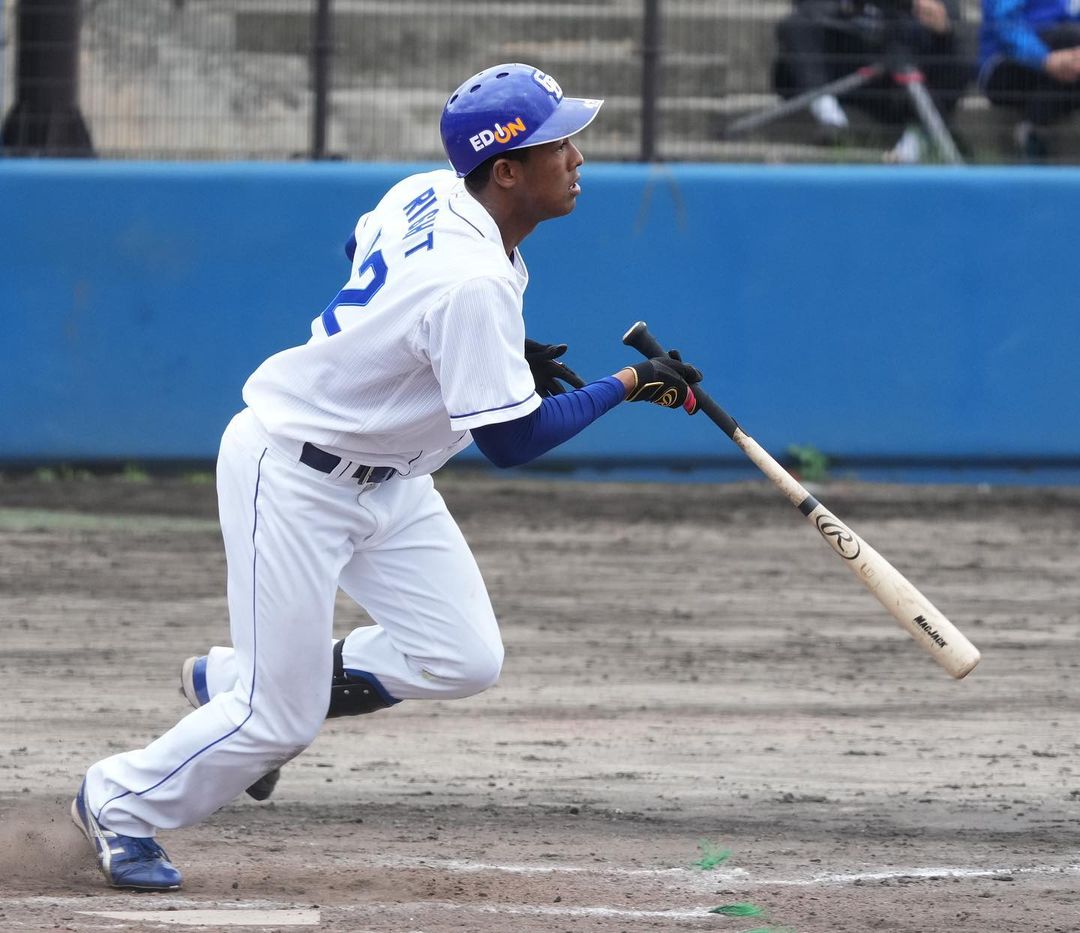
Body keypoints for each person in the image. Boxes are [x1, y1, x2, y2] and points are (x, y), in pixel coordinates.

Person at [69, 62, 703, 892]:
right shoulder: (471, 280)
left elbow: (361, 251)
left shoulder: (431, 194)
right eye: (559, 144)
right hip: (292, 475)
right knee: (280, 718)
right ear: (506, 171)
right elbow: (512, 440)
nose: (578, 157)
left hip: (394, 479)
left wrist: (480, 348)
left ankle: (233, 676)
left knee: (462, 656)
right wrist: (626, 384)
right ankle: (119, 800)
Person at [772, 0, 971, 162]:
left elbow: (949, 23)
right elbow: (808, 8)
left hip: (901, 74)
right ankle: (831, 119)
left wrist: (941, 28)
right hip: (844, 58)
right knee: (797, 25)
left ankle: (913, 144)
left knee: (959, 59)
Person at [978, 0, 1080, 160]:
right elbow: (1006, 24)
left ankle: (1033, 131)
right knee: (1070, 37)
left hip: (1063, 63)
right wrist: (1044, 59)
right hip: (1005, 67)